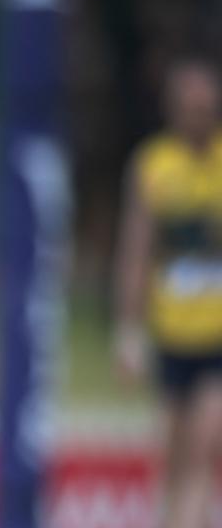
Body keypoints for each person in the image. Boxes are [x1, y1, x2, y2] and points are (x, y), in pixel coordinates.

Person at [114, 55, 222, 528]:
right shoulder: (154, 165)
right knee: (175, 454)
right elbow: (136, 252)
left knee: (204, 445)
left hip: (216, 335)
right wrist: (129, 331)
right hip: (172, 332)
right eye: (190, 107)